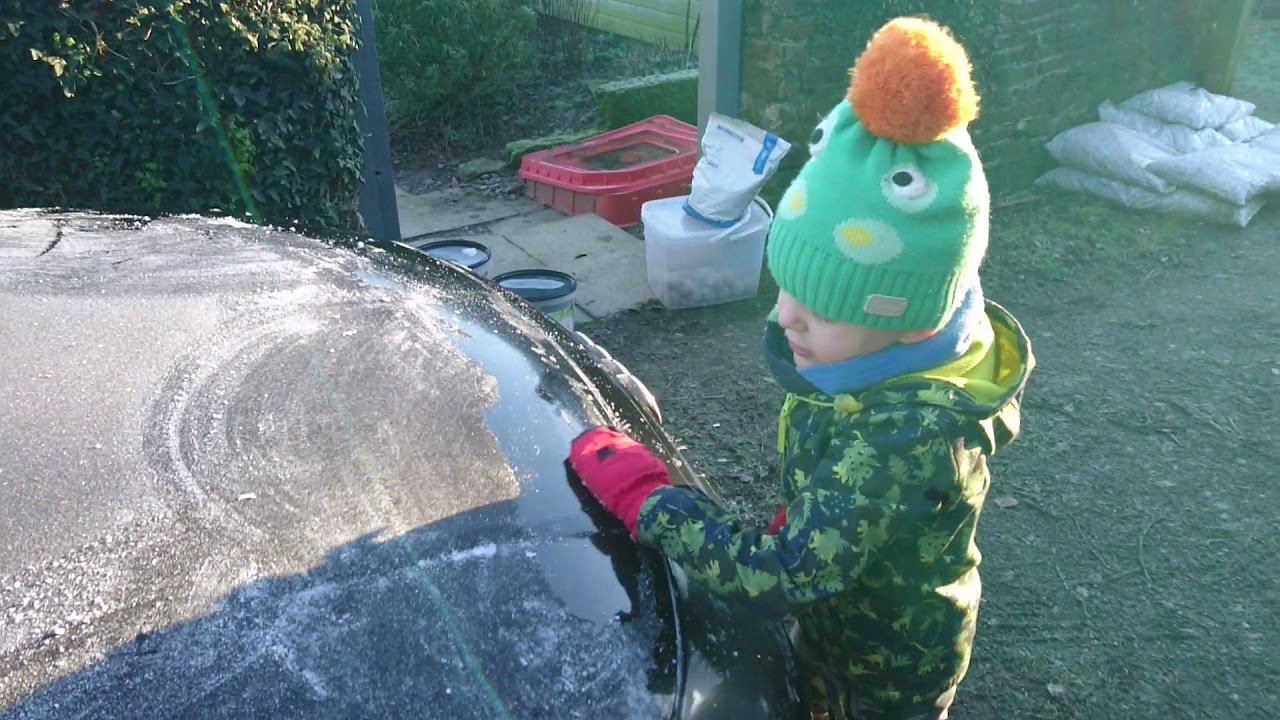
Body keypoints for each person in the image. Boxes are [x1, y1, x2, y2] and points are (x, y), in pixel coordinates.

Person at [567, 16, 1034, 720]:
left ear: (908, 318)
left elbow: (784, 573)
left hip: (884, 675)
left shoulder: (899, 442)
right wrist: (818, 511)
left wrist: (651, 501)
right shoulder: (874, 364)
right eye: (786, 288)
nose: (786, 318)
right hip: (844, 622)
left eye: (821, 307)